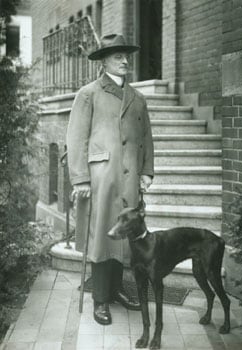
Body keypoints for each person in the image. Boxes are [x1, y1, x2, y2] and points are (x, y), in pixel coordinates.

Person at [66, 33, 154, 325]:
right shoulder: (88, 93)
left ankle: (115, 291)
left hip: (129, 183)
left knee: (123, 239)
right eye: (118, 56)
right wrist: (80, 179)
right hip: (100, 180)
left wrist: (146, 173)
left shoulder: (138, 98)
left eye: (126, 56)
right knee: (102, 238)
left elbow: (146, 140)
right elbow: (76, 138)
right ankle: (100, 299)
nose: (125, 61)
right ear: (103, 61)